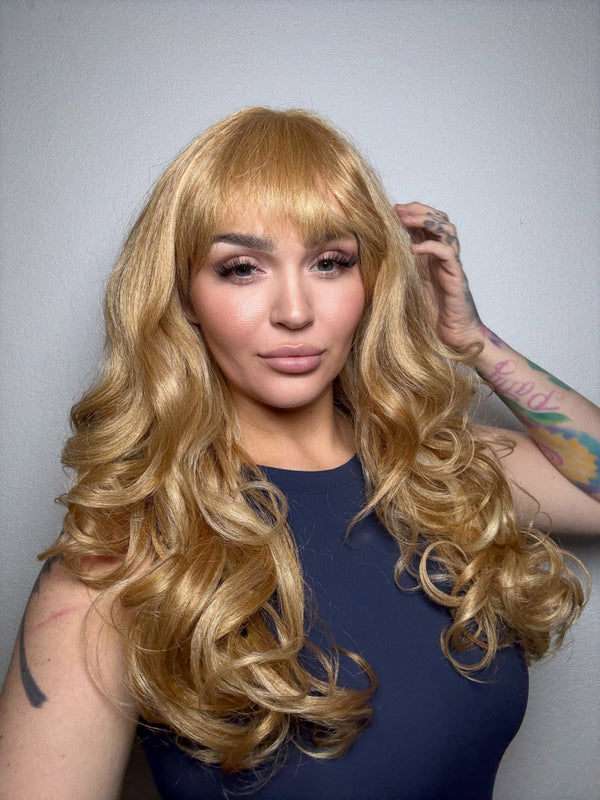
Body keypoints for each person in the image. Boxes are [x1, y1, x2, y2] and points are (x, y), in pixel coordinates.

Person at [0, 107, 599, 800]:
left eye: (329, 263)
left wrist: (473, 341)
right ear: (185, 296)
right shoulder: (117, 557)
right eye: (242, 268)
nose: (294, 310)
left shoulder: (442, 469)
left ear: (371, 283)